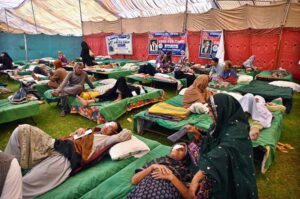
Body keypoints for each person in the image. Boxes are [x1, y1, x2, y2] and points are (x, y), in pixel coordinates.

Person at [4, 121, 130, 199]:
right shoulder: (93, 131)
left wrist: (119, 133)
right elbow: (71, 137)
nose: (106, 126)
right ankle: (5, 168)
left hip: (64, 158)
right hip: (53, 145)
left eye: (110, 127)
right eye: (108, 124)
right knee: (22, 130)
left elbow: (125, 134)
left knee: (24, 185)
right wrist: (78, 131)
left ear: (113, 133)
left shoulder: (106, 139)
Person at [184, 93, 258, 199]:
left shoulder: (238, 130)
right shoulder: (219, 124)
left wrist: (197, 177)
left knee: (203, 187)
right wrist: (196, 133)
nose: (209, 114)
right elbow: (211, 142)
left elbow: (224, 151)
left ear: (223, 109)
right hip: (218, 162)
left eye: (212, 110)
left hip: (233, 173)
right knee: (190, 148)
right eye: (209, 110)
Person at [127, 143, 194, 199]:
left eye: (181, 150)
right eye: (176, 147)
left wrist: (172, 177)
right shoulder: (158, 160)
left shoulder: (185, 170)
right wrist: (152, 167)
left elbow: (189, 196)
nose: (177, 149)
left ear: (185, 157)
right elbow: (134, 180)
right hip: (143, 192)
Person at [76, 76, 144, 106]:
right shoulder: (131, 85)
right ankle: (88, 102)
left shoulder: (137, 89)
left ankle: (119, 97)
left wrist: (140, 87)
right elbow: (120, 85)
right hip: (119, 91)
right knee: (107, 95)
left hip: (125, 93)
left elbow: (136, 93)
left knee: (121, 78)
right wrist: (111, 89)